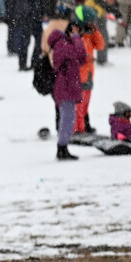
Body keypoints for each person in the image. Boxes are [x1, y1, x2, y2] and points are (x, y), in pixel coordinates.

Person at [48, 17, 87, 161]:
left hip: (68, 87)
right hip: (64, 87)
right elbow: (79, 55)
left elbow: (82, 58)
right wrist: (76, 38)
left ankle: (63, 147)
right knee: (66, 119)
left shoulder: (66, 43)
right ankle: (62, 148)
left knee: (69, 119)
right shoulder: (62, 44)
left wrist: (76, 39)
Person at [71, 6, 106, 134]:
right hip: (78, 77)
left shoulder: (89, 35)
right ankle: (77, 129)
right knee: (78, 107)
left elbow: (101, 45)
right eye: (91, 21)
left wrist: (95, 31)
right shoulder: (75, 36)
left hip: (89, 76)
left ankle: (83, 128)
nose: (94, 23)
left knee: (84, 106)